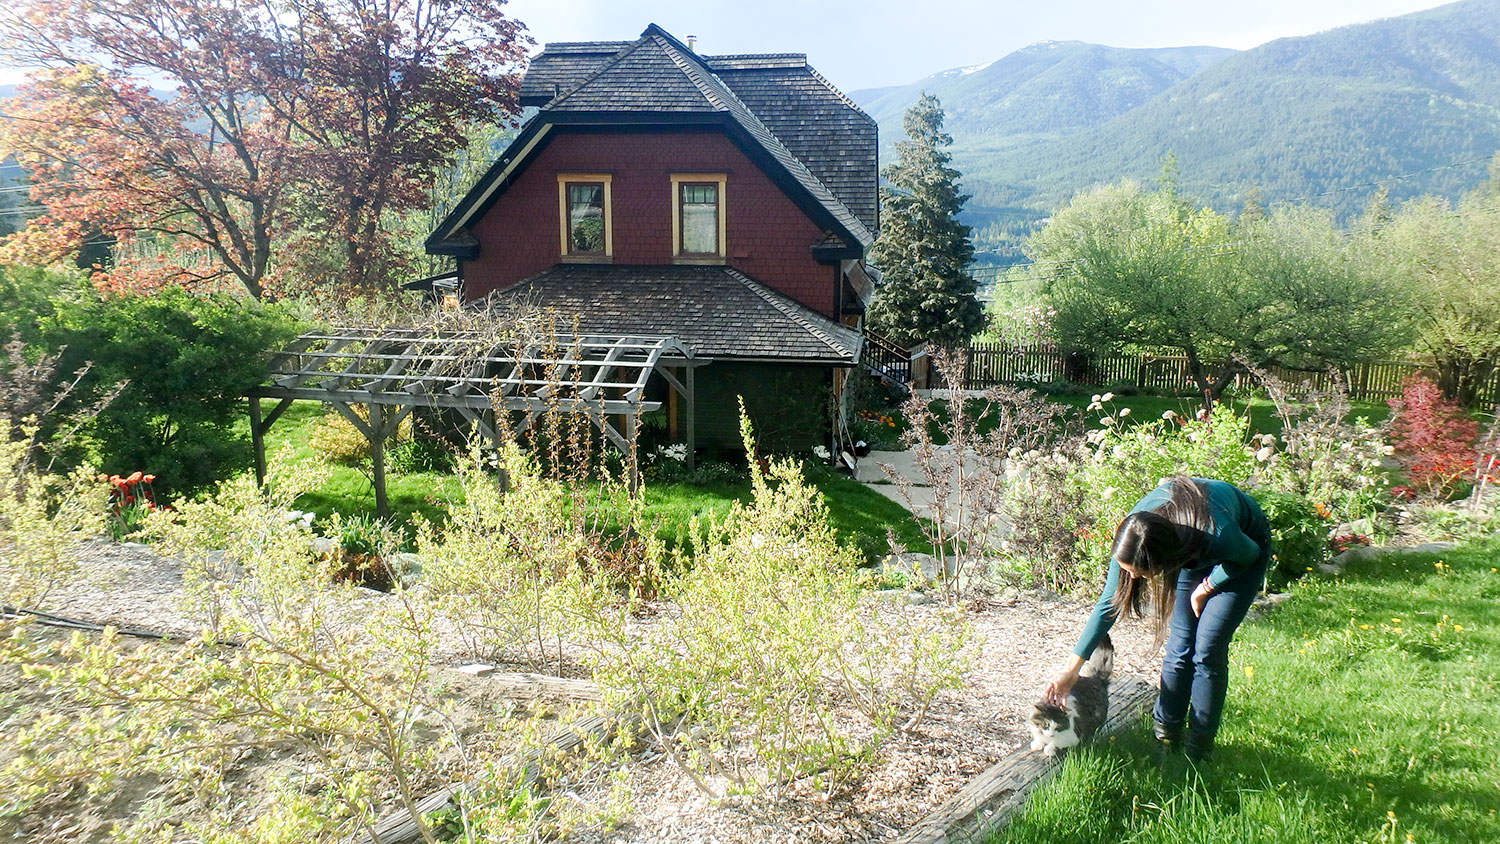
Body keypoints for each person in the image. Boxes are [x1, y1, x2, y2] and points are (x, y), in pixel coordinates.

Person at [1045, 476, 1271, 761]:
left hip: (1242, 551)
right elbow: (1107, 604)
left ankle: (1198, 751)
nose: (1133, 577)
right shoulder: (1135, 535)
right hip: (1188, 546)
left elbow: (1247, 554)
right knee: (1180, 646)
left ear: (1161, 560)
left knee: (1208, 650)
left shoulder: (1217, 533)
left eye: (1138, 571)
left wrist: (1208, 586)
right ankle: (1165, 737)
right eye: (1127, 569)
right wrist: (1071, 670)